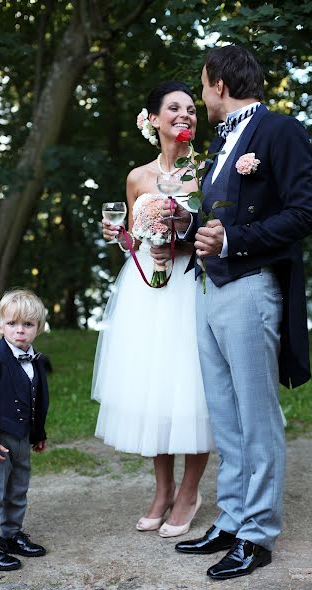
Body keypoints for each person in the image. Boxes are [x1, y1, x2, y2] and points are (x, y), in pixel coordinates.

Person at [170, 45, 312, 579]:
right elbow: (214, 223)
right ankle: (233, 518)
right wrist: (182, 229)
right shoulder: (220, 142)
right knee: (226, 416)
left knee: (257, 418)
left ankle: (258, 533)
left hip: (252, 286)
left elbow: (304, 214)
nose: (201, 95)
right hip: (209, 289)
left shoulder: (280, 131)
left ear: (219, 85)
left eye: (203, 84)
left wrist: (234, 240)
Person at [92, 81, 214, 538]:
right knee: (155, 388)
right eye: (175, 108)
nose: (186, 115)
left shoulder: (208, 172)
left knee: (193, 389)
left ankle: (190, 490)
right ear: (154, 119)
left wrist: (179, 245)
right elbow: (134, 241)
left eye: (191, 109)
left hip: (190, 286)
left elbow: (213, 230)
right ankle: (162, 491)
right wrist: (118, 236)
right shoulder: (138, 177)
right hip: (147, 290)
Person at [0, 288, 50, 571]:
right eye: (12, 324)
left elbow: (38, 400)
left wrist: (38, 434)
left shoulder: (37, 360)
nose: (20, 331)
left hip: (22, 438)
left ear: (38, 328)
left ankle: (10, 536)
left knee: (18, 489)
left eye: (27, 325)